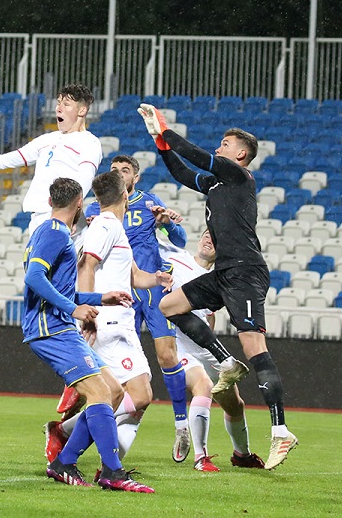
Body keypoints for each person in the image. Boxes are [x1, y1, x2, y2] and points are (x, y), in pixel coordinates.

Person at [139, 103, 298, 470]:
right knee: (170, 306)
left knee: (255, 347)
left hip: (245, 271)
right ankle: (226, 363)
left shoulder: (239, 176)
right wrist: (159, 143)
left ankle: (280, 430)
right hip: (224, 271)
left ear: (240, 154)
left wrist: (164, 129)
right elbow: (181, 170)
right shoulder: (218, 182)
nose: (219, 148)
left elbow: (193, 154)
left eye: (226, 144)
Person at [23, 176, 153, 493]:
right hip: (51, 327)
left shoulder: (55, 232)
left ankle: (64, 462)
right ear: (79, 202)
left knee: (113, 392)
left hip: (58, 324)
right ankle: (113, 471)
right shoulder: (54, 232)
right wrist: (73, 309)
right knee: (100, 393)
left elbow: (59, 286)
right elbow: (34, 277)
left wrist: (99, 298)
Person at [75, 154, 191, 463]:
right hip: (115, 295)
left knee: (164, 357)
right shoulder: (98, 214)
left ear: (134, 180)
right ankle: (83, 439)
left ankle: (181, 425)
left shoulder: (149, 203)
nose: (118, 173)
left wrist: (168, 224)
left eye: (125, 170)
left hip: (145, 287)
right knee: (123, 380)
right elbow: (84, 260)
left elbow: (179, 240)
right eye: (114, 170)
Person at [160, 231, 266, 471]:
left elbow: (209, 320)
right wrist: (165, 224)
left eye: (215, 238)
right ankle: (201, 458)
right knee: (204, 386)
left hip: (205, 347)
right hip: (178, 343)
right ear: (199, 239)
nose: (209, 240)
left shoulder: (221, 280)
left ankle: (242, 454)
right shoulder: (175, 257)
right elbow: (142, 240)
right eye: (207, 235)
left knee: (235, 404)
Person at [0, 83, 102, 234]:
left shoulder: (90, 142)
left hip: (65, 220)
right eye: (58, 103)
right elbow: (0, 162)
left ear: (82, 110)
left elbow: (84, 182)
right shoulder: (46, 140)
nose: (59, 108)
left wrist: (70, 216)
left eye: (66, 104)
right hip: (38, 220)